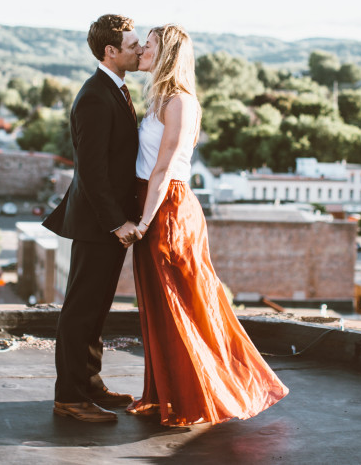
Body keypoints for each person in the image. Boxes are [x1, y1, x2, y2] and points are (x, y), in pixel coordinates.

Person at [120, 24, 288, 426]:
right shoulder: (159, 98)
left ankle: (204, 395)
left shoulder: (180, 102)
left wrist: (143, 222)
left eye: (150, 45)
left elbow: (163, 169)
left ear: (167, 55)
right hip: (153, 205)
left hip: (167, 210)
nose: (142, 49)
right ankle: (171, 394)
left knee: (182, 306)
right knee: (161, 307)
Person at [42, 14, 144, 423]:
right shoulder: (94, 97)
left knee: (97, 308)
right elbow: (92, 171)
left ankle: (89, 382)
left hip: (107, 223)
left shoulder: (114, 90)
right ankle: (68, 397)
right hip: (99, 224)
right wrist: (115, 222)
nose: (139, 50)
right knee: (80, 311)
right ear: (111, 51)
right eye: (133, 44)